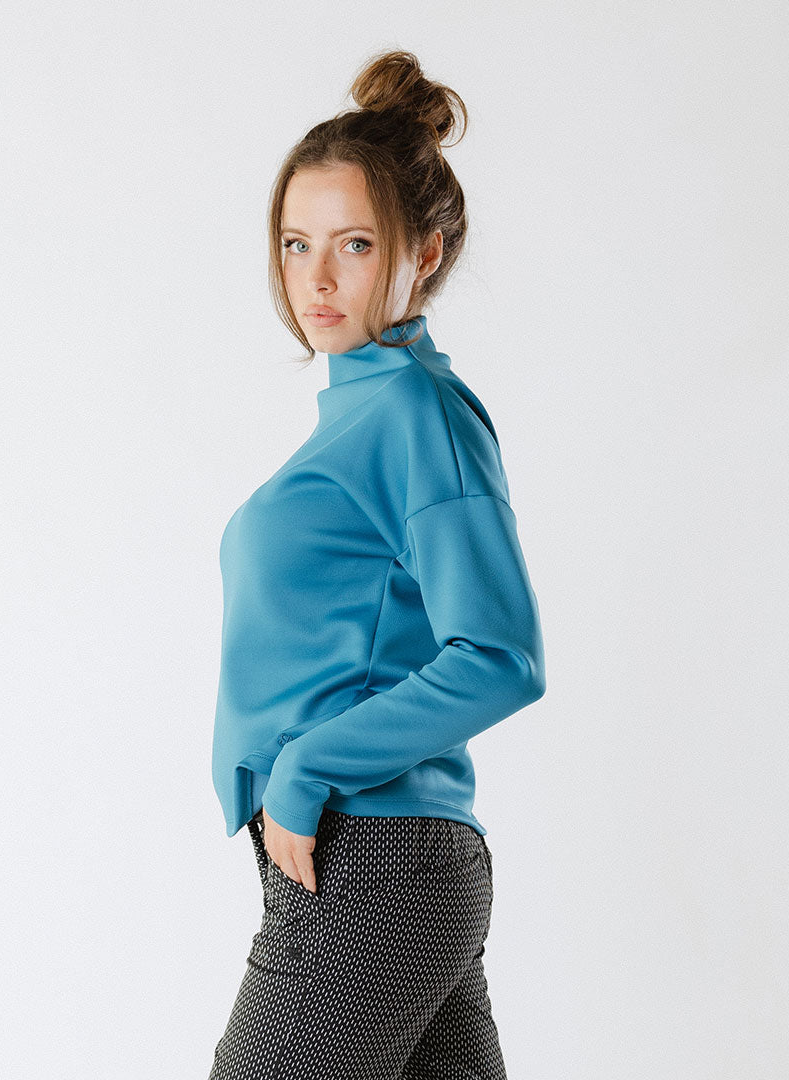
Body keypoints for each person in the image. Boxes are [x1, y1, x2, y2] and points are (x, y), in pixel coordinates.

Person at [207, 49, 546, 1080]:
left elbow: (500, 654)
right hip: (385, 862)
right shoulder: (360, 415)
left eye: (353, 244)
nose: (316, 277)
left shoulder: (413, 410)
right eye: (296, 243)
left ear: (423, 254)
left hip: (371, 859)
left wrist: (306, 769)